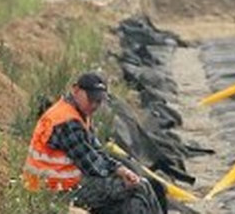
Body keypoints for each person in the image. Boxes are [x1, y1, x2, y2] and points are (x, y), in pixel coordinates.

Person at [22, 71, 163, 214]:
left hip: (63, 183)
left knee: (133, 195)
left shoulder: (78, 113)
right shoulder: (67, 122)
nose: (95, 105)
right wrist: (122, 177)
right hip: (53, 190)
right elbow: (92, 166)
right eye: (91, 99)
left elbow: (98, 152)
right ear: (76, 90)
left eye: (99, 101)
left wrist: (121, 169)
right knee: (139, 187)